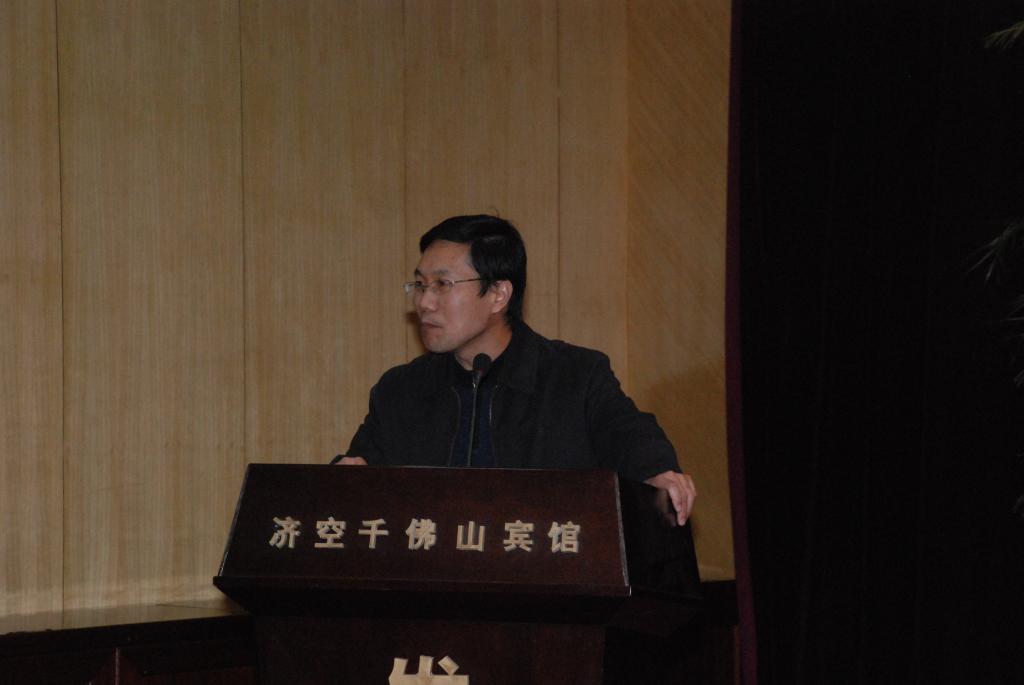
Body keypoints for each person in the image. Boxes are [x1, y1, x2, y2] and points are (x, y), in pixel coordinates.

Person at [339, 215, 696, 524]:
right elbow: (359, 470)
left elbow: (628, 435)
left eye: (442, 285)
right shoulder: (400, 390)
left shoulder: (575, 376)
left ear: (499, 294)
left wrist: (656, 473)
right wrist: (345, 476)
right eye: (420, 284)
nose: (424, 302)